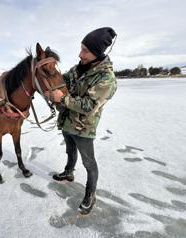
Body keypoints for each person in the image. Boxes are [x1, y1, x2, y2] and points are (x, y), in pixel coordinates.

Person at [44, 27, 117, 215]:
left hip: (84, 128)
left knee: (89, 164)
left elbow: (89, 105)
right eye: (81, 48)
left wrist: (62, 98)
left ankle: (90, 194)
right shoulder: (78, 68)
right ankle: (68, 172)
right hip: (67, 121)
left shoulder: (106, 78)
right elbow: (62, 81)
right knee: (70, 151)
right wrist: (49, 87)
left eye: (85, 50)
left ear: (97, 52)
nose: (80, 53)